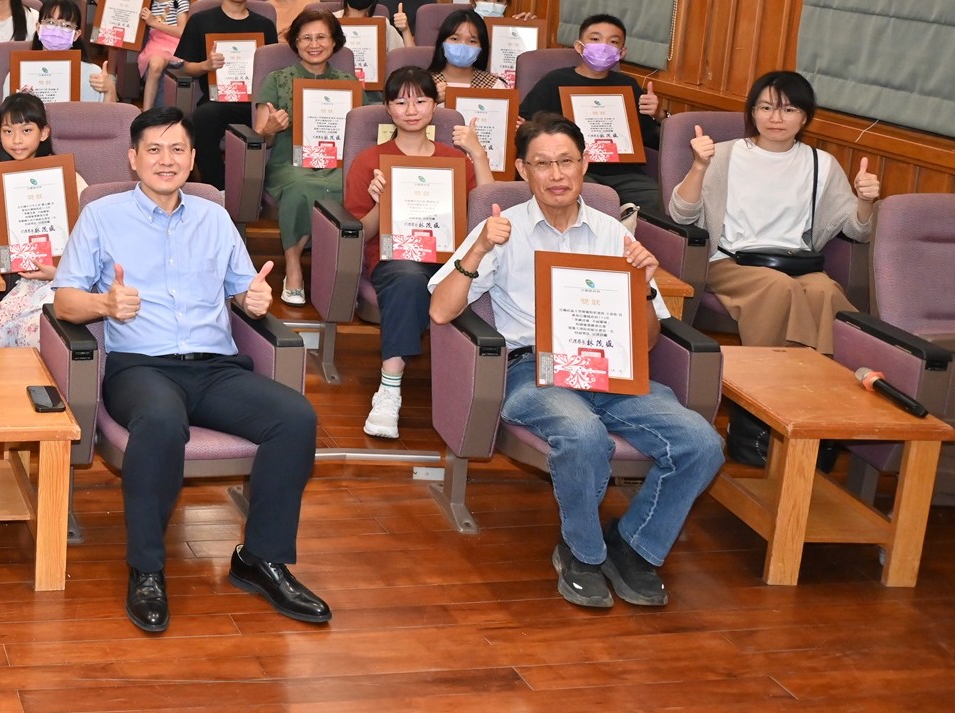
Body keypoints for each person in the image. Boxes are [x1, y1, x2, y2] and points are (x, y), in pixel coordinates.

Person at [428, 115, 724, 609]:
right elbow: (441, 310)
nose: (556, 174)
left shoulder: (613, 234)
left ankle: (634, 546)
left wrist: (643, 287)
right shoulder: (501, 229)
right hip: (534, 370)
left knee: (702, 442)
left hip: (610, 369)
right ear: (523, 170)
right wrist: (478, 249)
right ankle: (583, 552)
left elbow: (648, 339)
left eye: (566, 161)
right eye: (542, 164)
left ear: (584, 164)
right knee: (583, 433)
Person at [53, 107, 329, 633]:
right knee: (160, 422)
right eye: (154, 150)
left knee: (295, 418)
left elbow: (245, 292)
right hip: (142, 368)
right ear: (133, 158)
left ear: (193, 157)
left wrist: (254, 299)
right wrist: (105, 305)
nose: (167, 160)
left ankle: (261, 559)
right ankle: (147, 570)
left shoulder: (214, 217)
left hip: (216, 367)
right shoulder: (102, 216)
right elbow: (64, 302)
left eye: (177, 149)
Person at [667, 71, 877, 353]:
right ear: (753, 112)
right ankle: (777, 371)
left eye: (788, 109)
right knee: (778, 287)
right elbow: (681, 215)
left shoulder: (821, 163)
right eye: (766, 107)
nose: (775, 118)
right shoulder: (722, 154)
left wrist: (865, 201)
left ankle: (827, 373)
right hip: (730, 261)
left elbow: (859, 231)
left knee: (825, 291)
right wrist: (699, 167)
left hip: (794, 261)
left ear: (804, 117)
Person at [340, 67, 494, 438]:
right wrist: (381, 202)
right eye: (400, 102)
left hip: (449, 259)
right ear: (387, 108)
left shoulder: (454, 159)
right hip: (395, 259)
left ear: (435, 106)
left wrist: (477, 153)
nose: (411, 110)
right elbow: (361, 234)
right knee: (408, 277)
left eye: (421, 101)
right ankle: (389, 389)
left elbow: (489, 212)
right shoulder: (369, 161)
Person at [250, 8, 359, 306]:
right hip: (290, 161)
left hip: (336, 162)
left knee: (349, 186)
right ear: (295, 43)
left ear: (335, 41)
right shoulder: (277, 79)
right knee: (301, 187)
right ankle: (293, 266)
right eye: (306, 38)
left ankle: (344, 273)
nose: (314, 44)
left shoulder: (348, 82)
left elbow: (359, 134)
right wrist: (271, 129)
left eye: (321, 37)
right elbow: (261, 135)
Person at [0, 94, 87, 348]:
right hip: (28, 284)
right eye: (8, 131)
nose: (17, 140)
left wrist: (60, 272)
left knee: (31, 334)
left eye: (26, 130)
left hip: (66, 282)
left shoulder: (68, 178)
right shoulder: (3, 182)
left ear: (44, 133)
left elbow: (94, 235)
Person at [518, 13, 664, 218]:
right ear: (579, 47)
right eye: (595, 39)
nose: (603, 46)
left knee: (659, 200)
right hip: (574, 170)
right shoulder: (554, 81)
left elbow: (649, 136)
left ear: (622, 52)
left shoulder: (628, 85)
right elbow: (526, 124)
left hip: (624, 173)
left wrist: (659, 114)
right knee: (595, 198)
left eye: (613, 42)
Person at [176, 0, 276, 188]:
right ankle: (218, 188)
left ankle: (259, 187)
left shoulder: (264, 26)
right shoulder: (200, 21)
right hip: (217, 101)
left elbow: (272, 71)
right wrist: (206, 66)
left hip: (254, 102)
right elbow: (187, 67)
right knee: (202, 118)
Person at [29, 0, 115, 99]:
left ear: (76, 35)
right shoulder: (23, 69)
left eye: (66, 25)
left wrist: (110, 89)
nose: (57, 30)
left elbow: (107, 109)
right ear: (38, 28)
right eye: (51, 23)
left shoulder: (93, 74)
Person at [134, 0, 188, 111]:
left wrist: (154, 22)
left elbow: (182, 31)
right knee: (155, 64)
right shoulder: (146, 6)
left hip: (177, 45)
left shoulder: (180, 0)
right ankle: (146, 112)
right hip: (156, 45)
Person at [428, 9, 506, 100]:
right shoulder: (424, 83)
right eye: (454, 39)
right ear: (442, 43)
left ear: (481, 48)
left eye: (472, 41)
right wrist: (432, 101)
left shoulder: (494, 85)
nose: (463, 46)